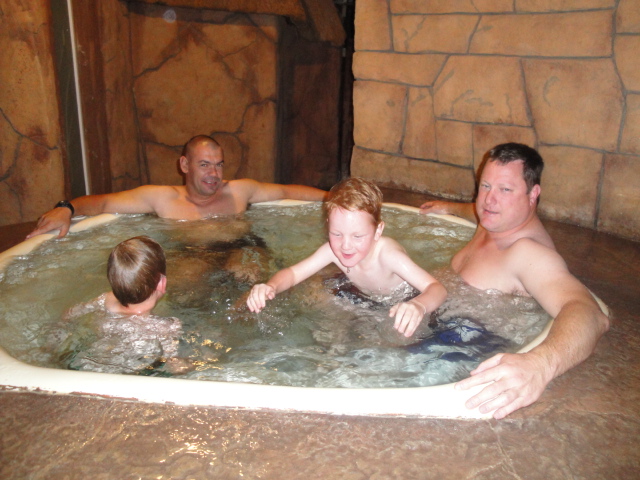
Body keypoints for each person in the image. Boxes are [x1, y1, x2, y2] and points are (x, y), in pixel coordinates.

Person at [420, 143, 609, 419]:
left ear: (533, 194)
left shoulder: (528, 254)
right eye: (485, 186)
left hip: (465, 345)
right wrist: (448, 207)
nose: (489, 200)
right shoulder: (493, 220)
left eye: (505, 190)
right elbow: (476, 208)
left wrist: (540, 365)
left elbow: (590, 313)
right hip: (436, 315)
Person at [246, 177, 448, 337]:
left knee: (393, 340)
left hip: (405, 302)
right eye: (337, 234)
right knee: (320, 308)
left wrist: (418, 305)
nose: (345, 245)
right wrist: (271, 286)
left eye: (357, 236)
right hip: (364, 297)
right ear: (328, 226)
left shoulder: (389, 255)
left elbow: (437, 288)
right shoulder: (331, 250)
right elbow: (293, 274)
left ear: (378, 231)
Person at [27, 134, 327, 239]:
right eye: (204, 164)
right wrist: (66, 208)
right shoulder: (162, 198)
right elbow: (104, 202)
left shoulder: (239, 191)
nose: (214, 173)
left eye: (219, 164)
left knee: (249, 270)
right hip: (188, 256)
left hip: (241, 251)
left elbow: (287, 192)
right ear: (184, 165)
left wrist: (333, 196)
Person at [61, 236, 190, 374]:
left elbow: (69, 314)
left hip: (85, 363)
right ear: (162, 283)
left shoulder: (106, 299)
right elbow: (174, 365)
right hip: (126, 374)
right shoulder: (166, 327)